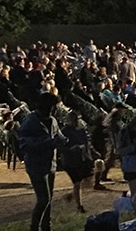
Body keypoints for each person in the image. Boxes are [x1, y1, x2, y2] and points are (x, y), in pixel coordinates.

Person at [19, 91, 67, 231]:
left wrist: (64, 140)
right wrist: (49, 142)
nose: (55, 109)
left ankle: (46, 226)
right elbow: (25, 145)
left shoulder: (52, 120)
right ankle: (34, 227)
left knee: (49, 199)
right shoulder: (30, 122)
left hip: (50, 164)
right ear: (47, 107)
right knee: (43, 199)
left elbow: (58, 135)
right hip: (36, 165)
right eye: (53, 106)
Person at [59, 110, 94, 213]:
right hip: (70, 160)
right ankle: (79, 206)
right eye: (75, 119)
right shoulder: (65, 131)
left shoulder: (81, 130)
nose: (77, 121)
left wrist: (90, 153)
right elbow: (60, 146)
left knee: (84, 181)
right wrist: (71, 149)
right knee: (77, 181)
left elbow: (86, 143)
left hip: (81, 159)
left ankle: (72, 195)